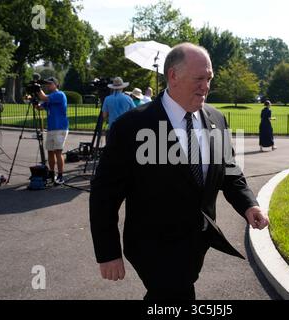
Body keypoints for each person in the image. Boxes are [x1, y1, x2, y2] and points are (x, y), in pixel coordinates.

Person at [89, 43, 269, 300]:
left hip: (198, 242)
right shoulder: (132, 126)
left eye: (209, 78)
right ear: (173, 76)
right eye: (199, 78)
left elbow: (229, 171)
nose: (206, 86)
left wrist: (249, 205)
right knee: (174, 293)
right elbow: (104, 195)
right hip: (152, 246)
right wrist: (108, 252)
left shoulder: (216, 119)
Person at [35, 77, 68, 185]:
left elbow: (44, 97)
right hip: (51, 128)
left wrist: (37, 88)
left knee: (58, 151)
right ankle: (51, 173)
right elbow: (40, 107)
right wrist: (35, 103)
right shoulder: (50, 97)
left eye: (50, 84)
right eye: (47, 84)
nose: (48, 86)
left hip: (60, 127)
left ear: (56, 84)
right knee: (50, 151)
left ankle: (60, 175)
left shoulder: (59, 94)